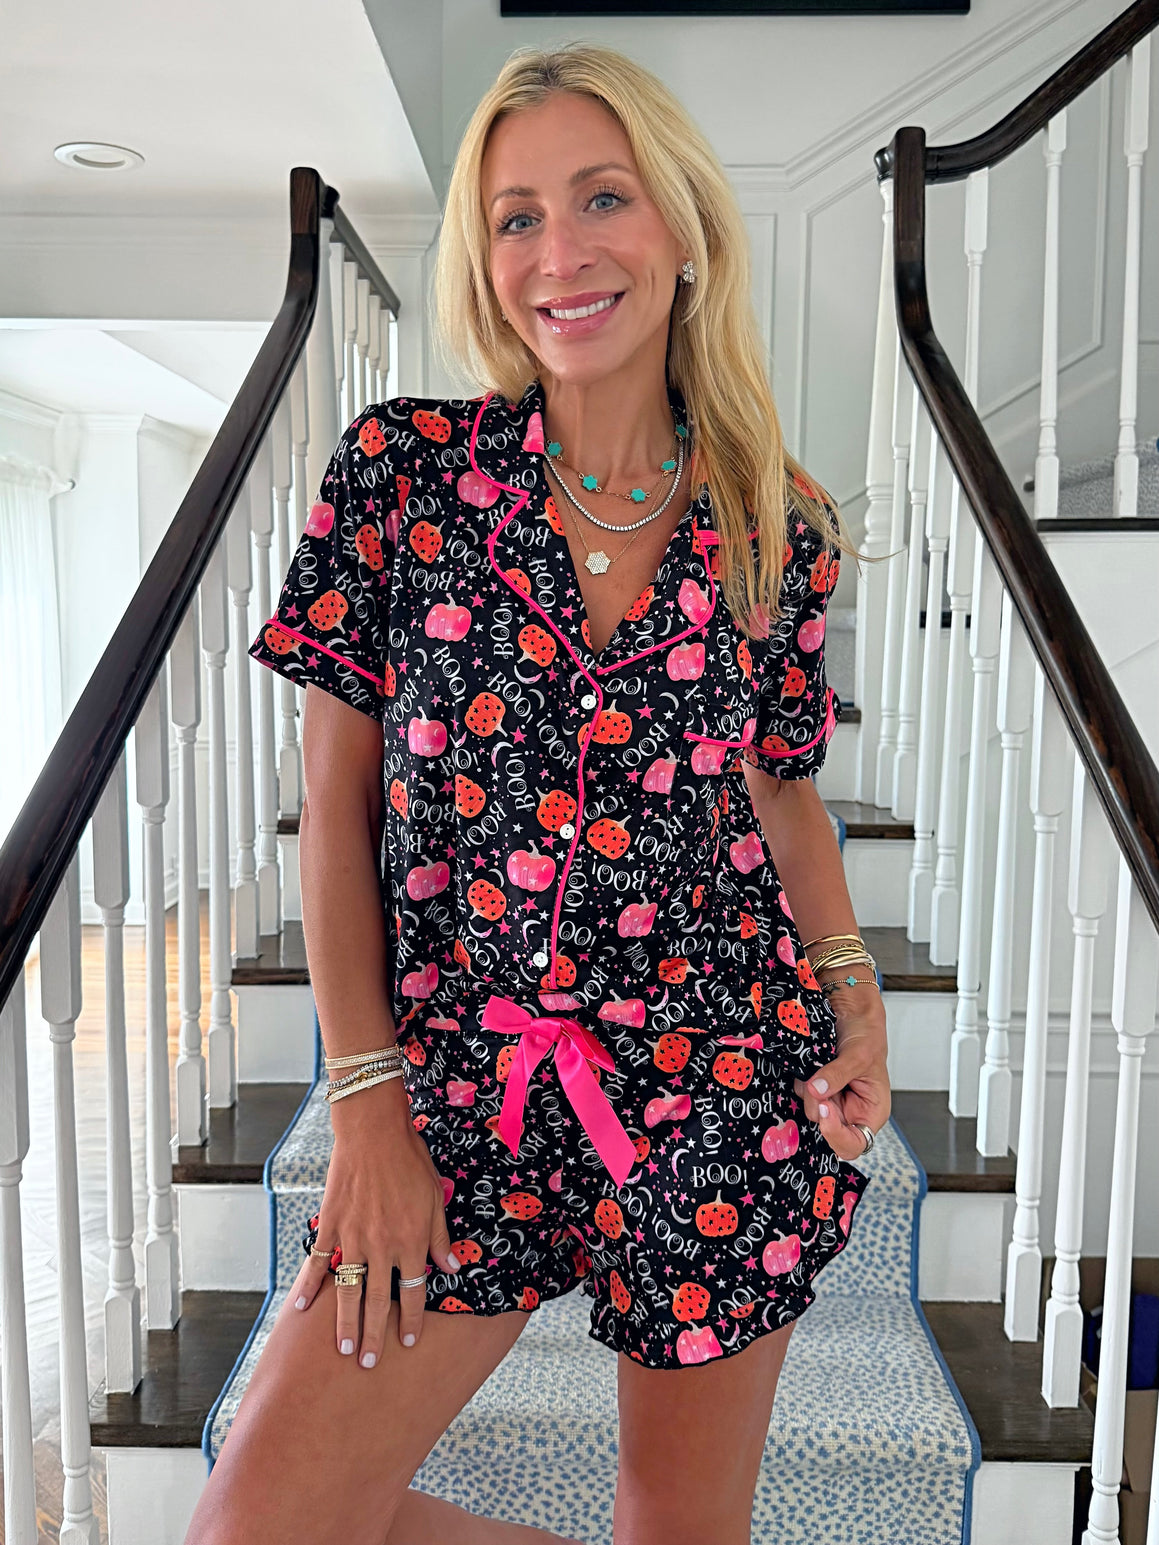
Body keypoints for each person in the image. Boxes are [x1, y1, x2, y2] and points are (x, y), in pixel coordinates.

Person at [185, 40, 891, 1545]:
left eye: (602, 198)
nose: (558, 253)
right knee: (264, 1522)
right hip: (450, 1097)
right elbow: (339, 813)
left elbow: (784, 793)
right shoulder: (401, 481)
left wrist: (855, 988)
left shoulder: (782, 527)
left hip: (719, 1094)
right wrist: (367, 1105)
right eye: (514, 217)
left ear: (686, 232)